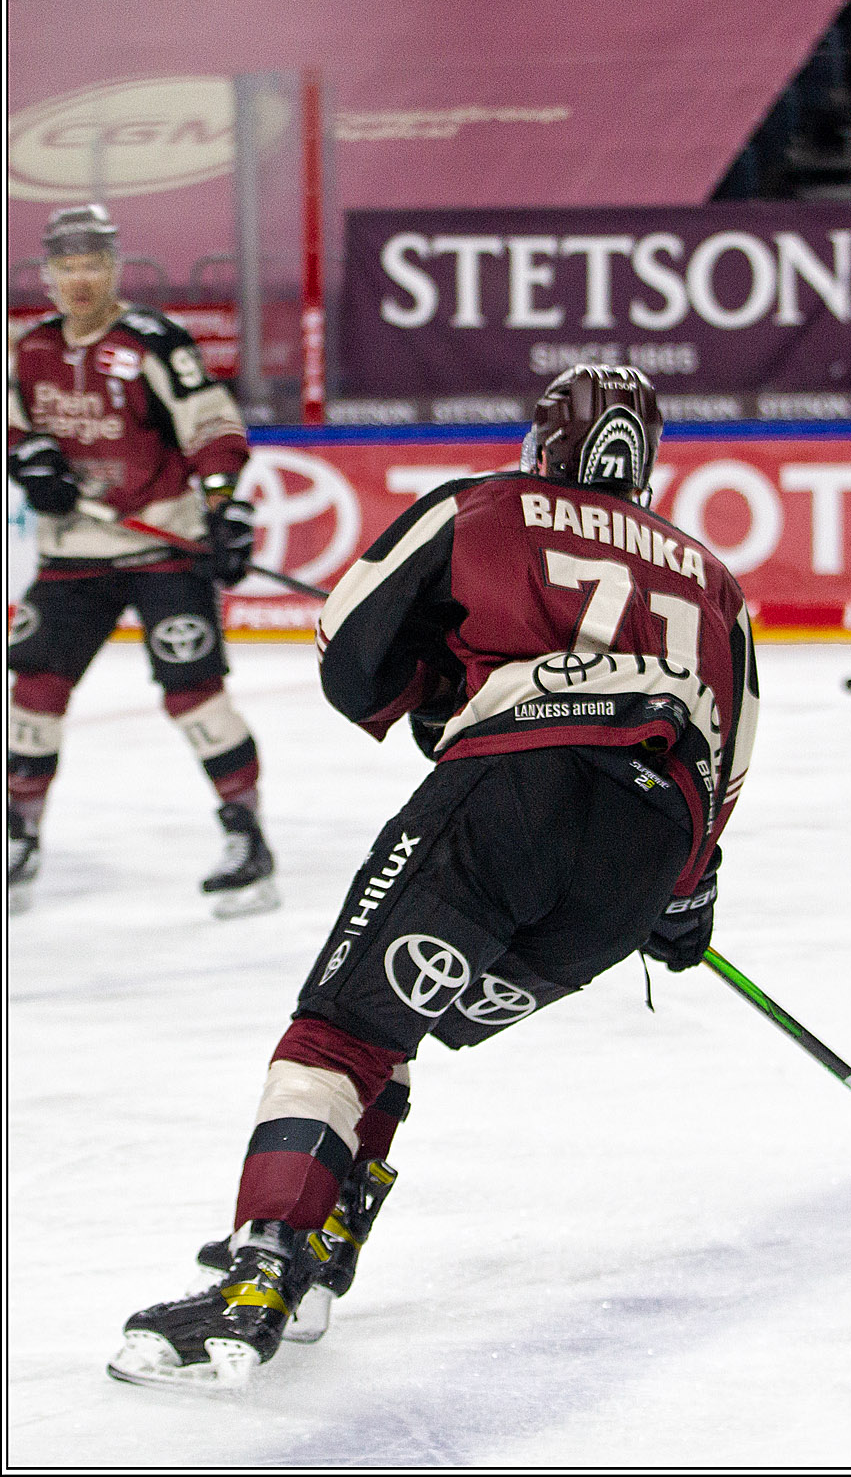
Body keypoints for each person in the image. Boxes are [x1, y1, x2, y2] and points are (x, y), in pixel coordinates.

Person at [106, 364, 759, 1389]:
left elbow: (345, 641)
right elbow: (729, 756)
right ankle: (320, 1252)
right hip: (636, 861)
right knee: (394, 1021)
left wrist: (426, 699)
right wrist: (683, 892)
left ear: (546, 439)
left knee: (344, 1030)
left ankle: (260, 1272)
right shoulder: (713, 579)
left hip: (514, 793)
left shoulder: (485, 503)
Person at [7, 204, 279, 918]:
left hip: (162, 547)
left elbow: (213, 428)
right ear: (49, 273)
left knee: (194, 692)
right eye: (66, 266)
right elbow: (14, 428)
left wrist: (222, 507)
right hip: (75, 553)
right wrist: (27, 459)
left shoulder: (154, 342)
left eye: (92, 263)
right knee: (32, 686)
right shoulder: (28, 349)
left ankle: (246, 836)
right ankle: (18, 836)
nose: (79, 279)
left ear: (114, 266)